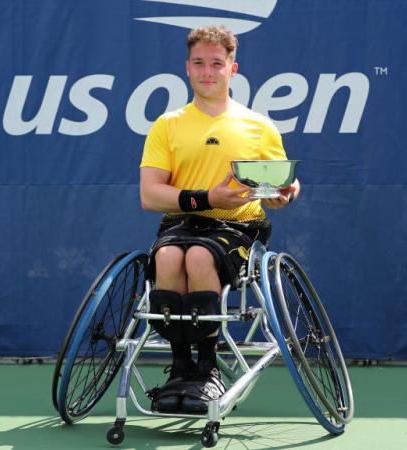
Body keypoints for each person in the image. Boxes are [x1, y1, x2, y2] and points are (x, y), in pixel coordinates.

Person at [139, 25, 301, 413]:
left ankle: (207, 367)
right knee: (166, 258)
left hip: (237, 227)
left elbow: (283, 182)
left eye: (216, 63)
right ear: (187, 69)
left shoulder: (258, 126)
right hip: (179, 225)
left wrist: (287, 193)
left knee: (197, 257)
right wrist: (209, 196)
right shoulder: (168, 125)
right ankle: (181, 367)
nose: (207, 71)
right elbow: (150, 194)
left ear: (233, 69)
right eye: (199, 63)